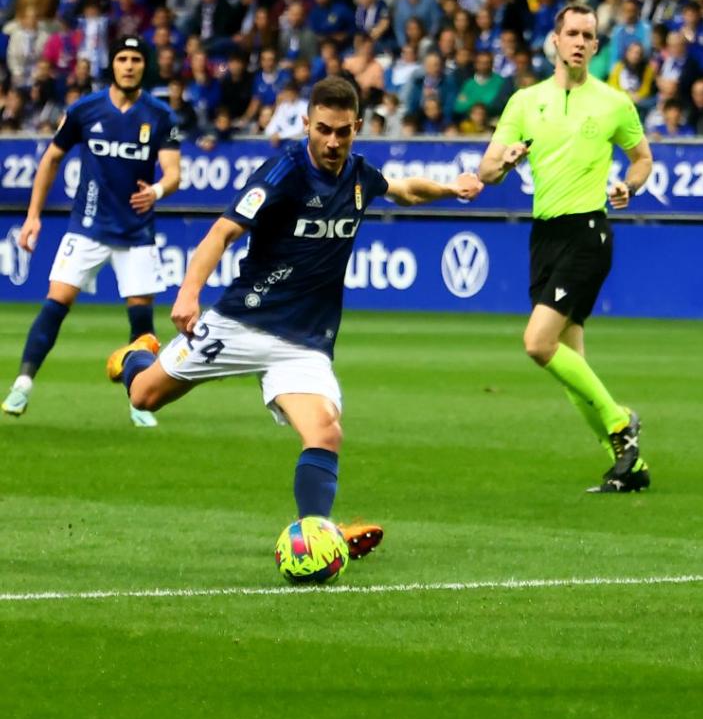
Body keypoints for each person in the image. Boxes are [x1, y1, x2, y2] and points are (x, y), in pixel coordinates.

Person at [105, 77, 483, 555]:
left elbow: (405, 189)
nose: (332, 141)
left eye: (343, 132)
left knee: (325, 430)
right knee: (144, 397)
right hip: (243, 321)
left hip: (303, 343)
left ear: (357, 127)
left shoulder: (361, 176)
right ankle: (136, 357)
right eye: (323, 129)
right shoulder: (282, 173)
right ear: (306, 123)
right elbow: (222, 233)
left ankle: (317, 535)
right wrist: (189, 292)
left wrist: (452, 188)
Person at [477, 5, 654, 494]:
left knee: (538, 343)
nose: (579, 41)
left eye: (588, 35)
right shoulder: (524, 102)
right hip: (545, 236)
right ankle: (626, 463)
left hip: (588, 232)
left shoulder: (614, 103)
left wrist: (629, 187)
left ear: (596, 47)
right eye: (571, 33)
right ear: (555, 41)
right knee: (570, 362)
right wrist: (506, 162)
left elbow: (642, 159)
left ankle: (620, 422)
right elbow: (487, 171)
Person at [3, 37, 181, 427]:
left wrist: (157, 190)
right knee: (56, 302)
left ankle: (139, 400)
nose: (129, 65)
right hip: (87, 227)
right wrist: (33, 215)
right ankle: (22, 385)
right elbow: (51, 159)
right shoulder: (85, 110)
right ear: (112, 65)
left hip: (136, 232)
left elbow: (174, 173)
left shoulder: (160, 115)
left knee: (142, 321)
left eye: (136, 59)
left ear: (143, 66)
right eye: (122, 58)